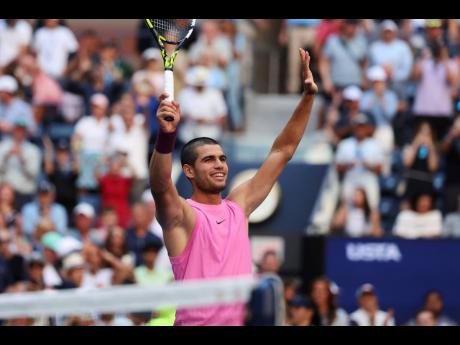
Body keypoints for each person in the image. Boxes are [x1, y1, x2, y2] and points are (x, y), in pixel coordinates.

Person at [149, 48, 317, 326]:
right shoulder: (182, 216)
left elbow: (283, 151)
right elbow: (160, 185)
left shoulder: (238, 206)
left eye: (222, 159)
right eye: (209, 160)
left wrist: (308, 98)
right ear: (188, 171)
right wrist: (166, 137)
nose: (219, 165)